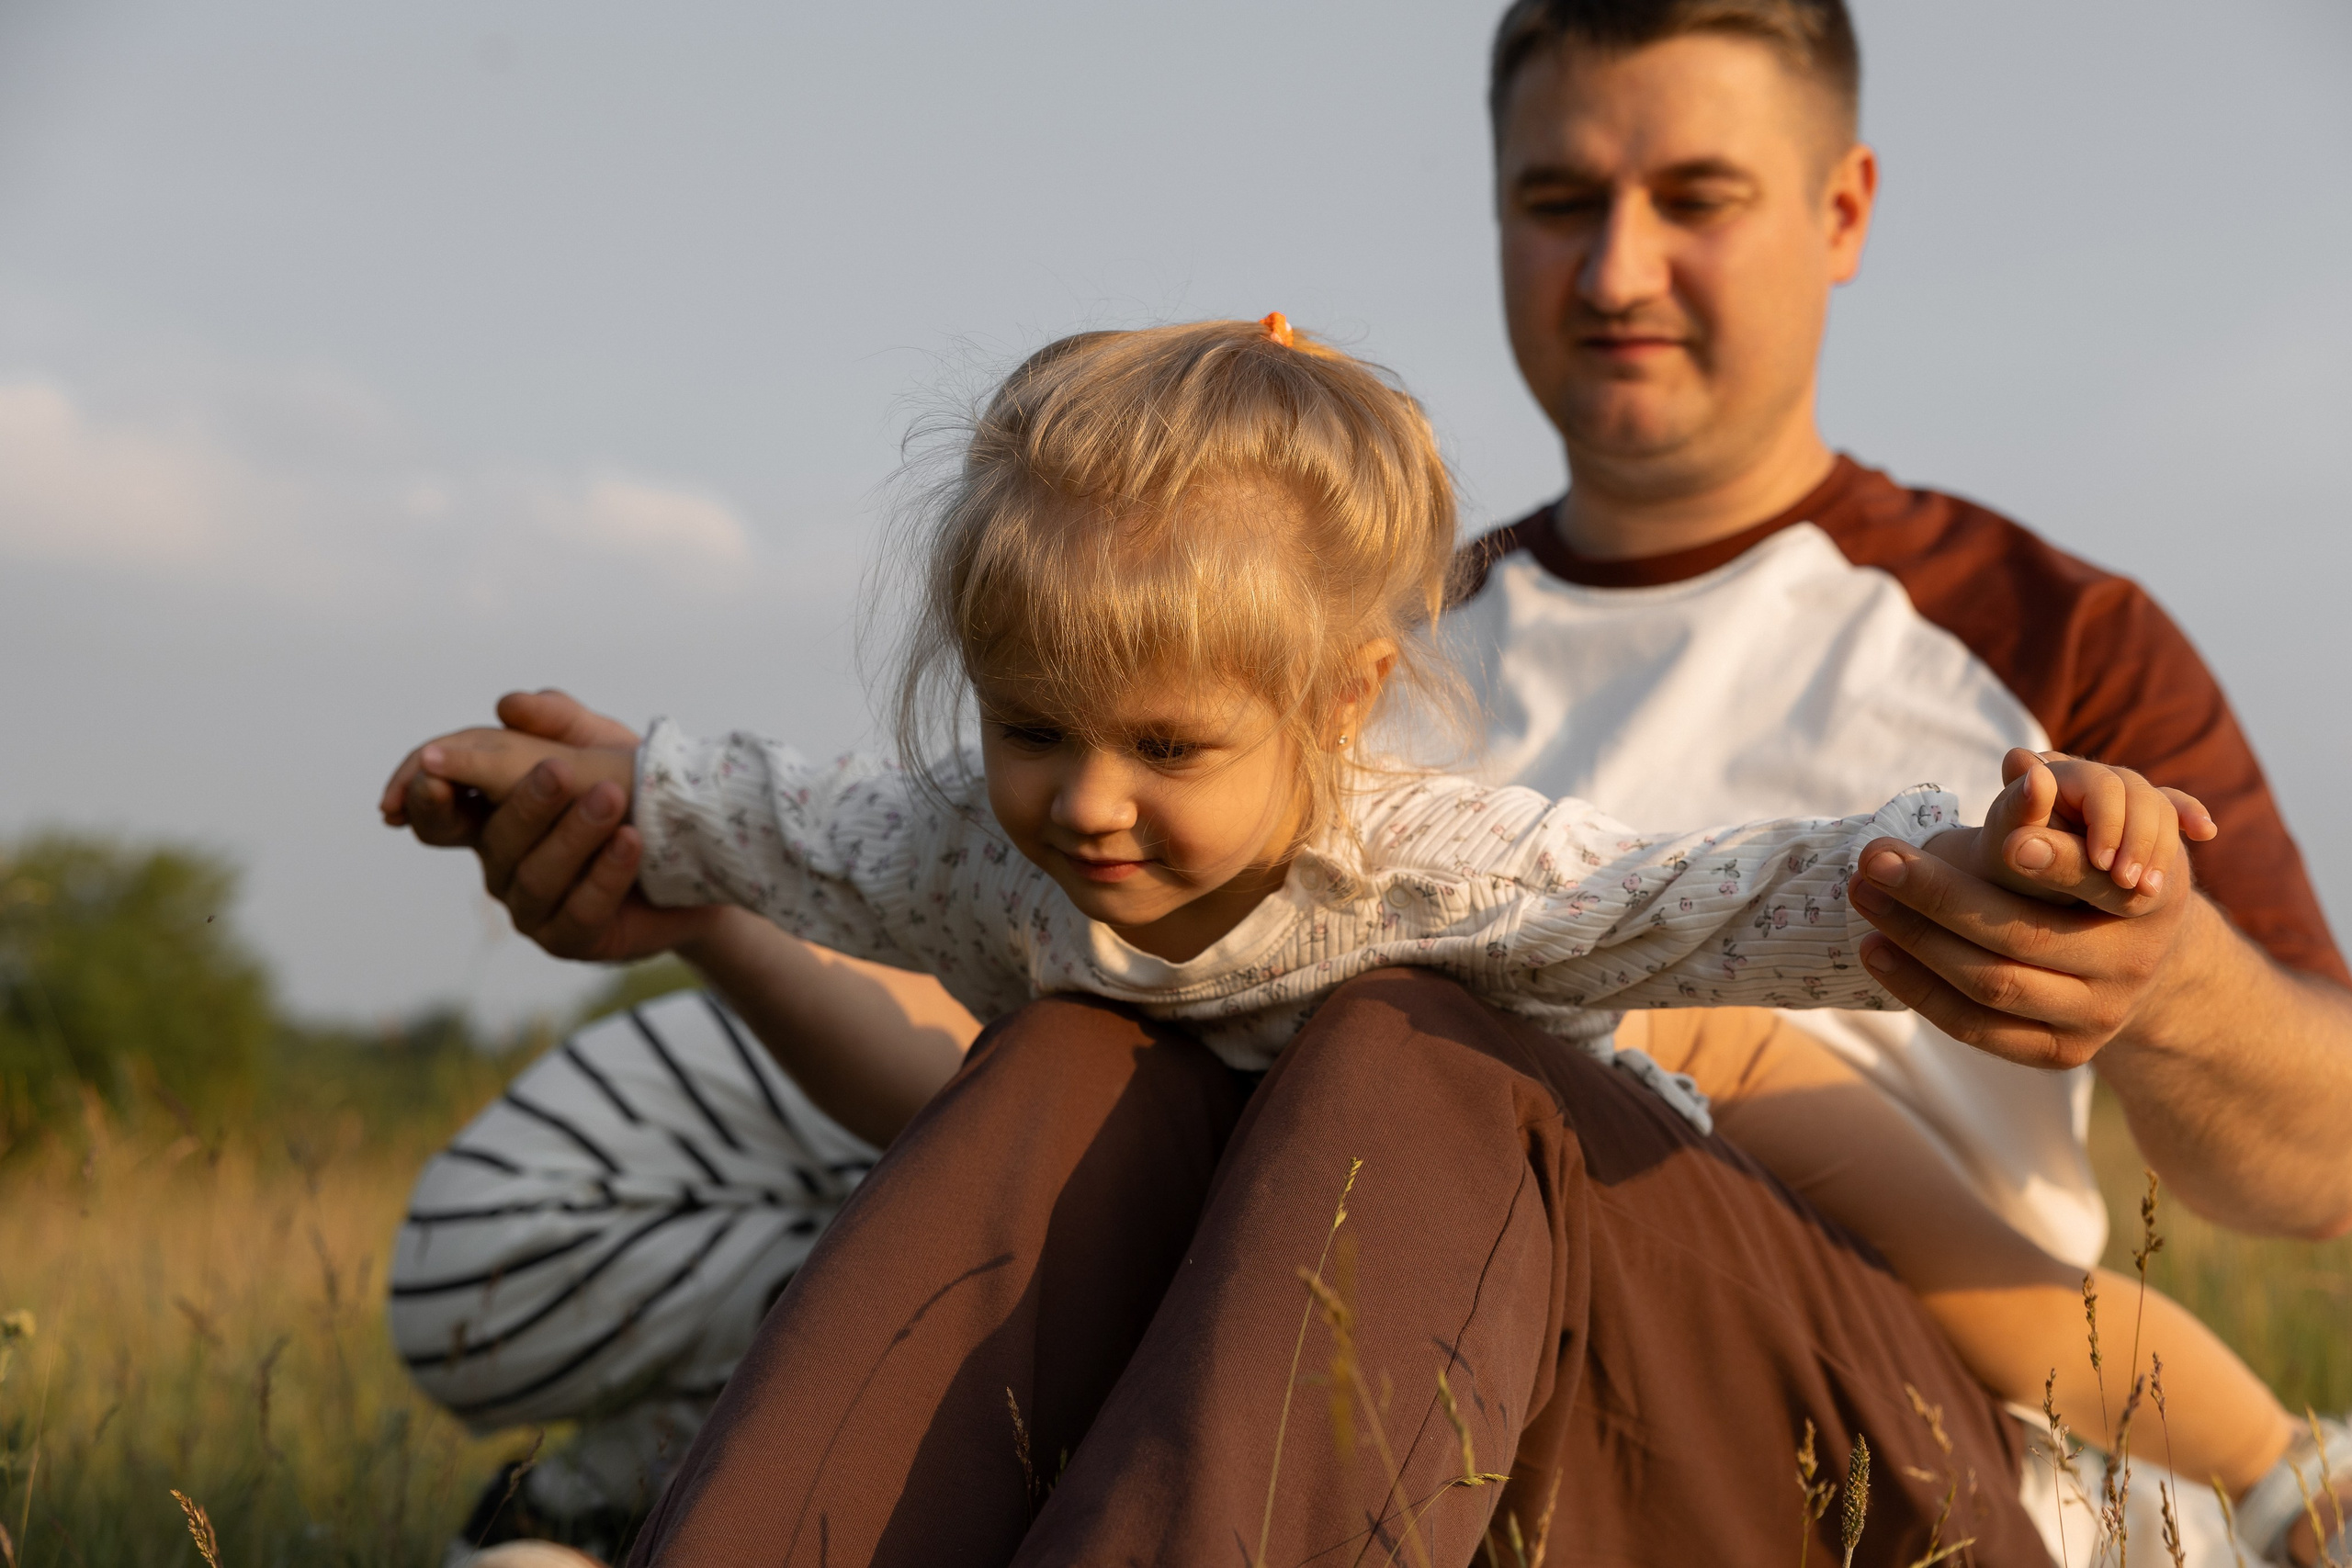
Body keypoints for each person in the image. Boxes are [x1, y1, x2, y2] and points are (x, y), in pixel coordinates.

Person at [385, 2, 2352, 1562]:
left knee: (1415, 1037)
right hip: (1353, 1403)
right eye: (1557, 199)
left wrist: (2143, 961)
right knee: (1089, 1051)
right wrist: (696, 896)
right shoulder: (1276, 628)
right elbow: (1046, 1043)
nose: (1617, 267)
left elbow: (2313, 1159)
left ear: (1839, 210)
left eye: (1696, 194)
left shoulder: (2035, 637)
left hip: (1833, 1435)